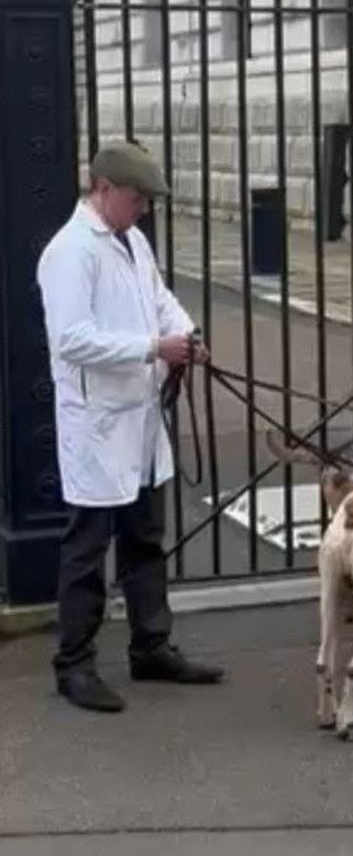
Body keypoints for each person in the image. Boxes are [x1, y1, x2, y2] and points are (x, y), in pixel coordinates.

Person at [37, 140, 224, 713]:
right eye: (137, 197)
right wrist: (152, 348)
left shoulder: (132, 242)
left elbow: (160, 300)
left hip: (140, 419)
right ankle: (74, 665)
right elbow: (71, 338)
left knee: (145, 539)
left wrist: (185, 337)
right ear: (103, 190)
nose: (143, 207)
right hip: (98, 424)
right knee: (88, 550)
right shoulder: (70, 251)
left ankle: (151, 646)